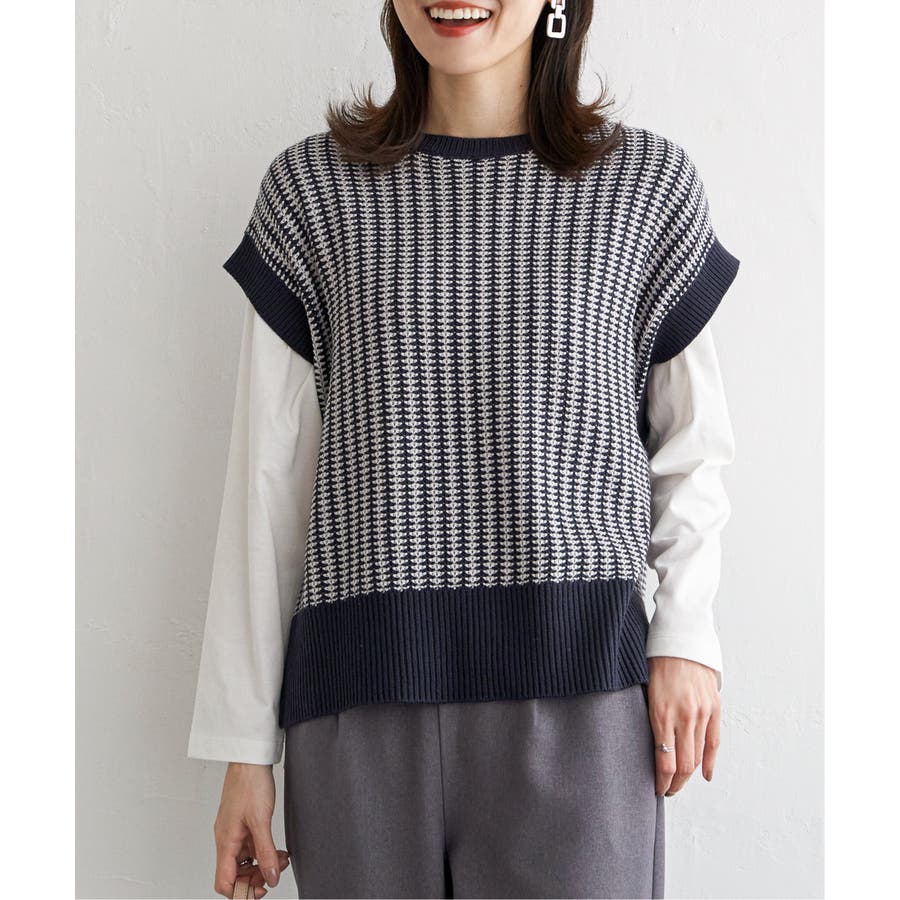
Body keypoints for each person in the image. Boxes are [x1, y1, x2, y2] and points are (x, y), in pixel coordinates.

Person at [187, 2, 740, 898]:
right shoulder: (311, 196)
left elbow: (691, 447)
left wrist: (686, 636)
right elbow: (266, 483)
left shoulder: (645, 189)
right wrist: (242, 748)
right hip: (358, 713)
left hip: (579, 704)